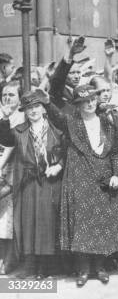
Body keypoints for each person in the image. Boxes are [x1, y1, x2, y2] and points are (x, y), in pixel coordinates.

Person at [45, 84, 118, 287]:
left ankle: (100, 267)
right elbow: (56, 115)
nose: (90, 103)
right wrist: (46, 102)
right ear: (78, 104)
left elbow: (116, 150)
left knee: (101, 223)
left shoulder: (108, 121)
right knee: (81, 225)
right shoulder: (71, 122)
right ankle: (83, 269)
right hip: (79, 180)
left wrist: (117, 174)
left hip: (105, 179)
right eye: (85, 101)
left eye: (93, 99)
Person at [0, 90, 64, 279]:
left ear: (44, 108)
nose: (33, 110)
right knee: (28, 222)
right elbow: (4, 139)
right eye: (29, 108)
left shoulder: (56, 130)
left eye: (36, 106)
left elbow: (66, 154)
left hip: (50, 182)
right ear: (25, 112)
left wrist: (59, 166)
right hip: (28, 182)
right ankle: (30, 266)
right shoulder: (19, 131)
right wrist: (4, 116)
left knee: (47, 222)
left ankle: (47, 267)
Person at [0, 81, 24, 275]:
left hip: (13, 171)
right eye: (5, 94)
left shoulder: (22, 118)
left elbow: (12, 142)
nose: (7, 98)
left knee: (8, 217)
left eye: (12, 95)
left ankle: (8, 258)